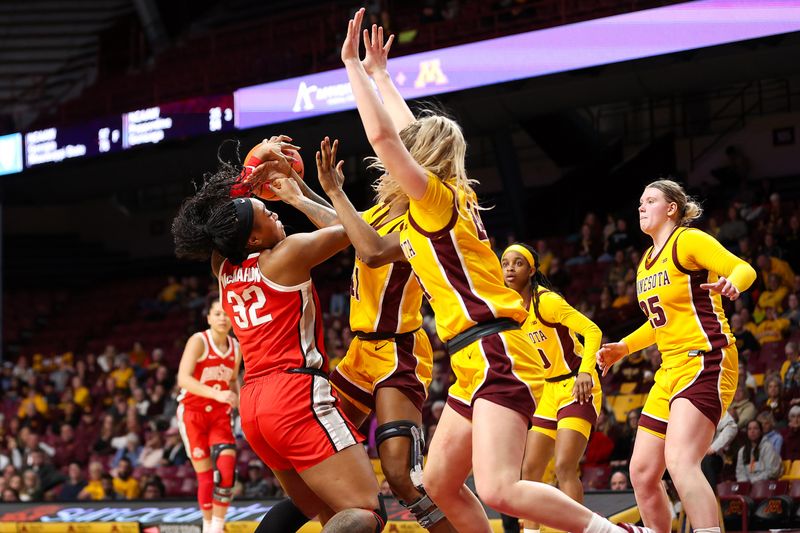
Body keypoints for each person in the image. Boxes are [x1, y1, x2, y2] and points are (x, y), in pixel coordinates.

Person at [338, 9, 649, 533]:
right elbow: (408, 135)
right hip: (471, 359)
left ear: (423, 161)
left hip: (495, 348)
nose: (400, 156)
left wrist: (351, 67)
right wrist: (382, 75)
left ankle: (617, 532)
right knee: (436, 483)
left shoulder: (435, 201)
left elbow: (387, 140)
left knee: (500, 487)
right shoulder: (438, 202)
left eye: (412, 152)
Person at [271, 26, 450, 532]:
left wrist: (327, 191)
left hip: (397, 350)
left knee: (400, 478)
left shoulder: (425, 214)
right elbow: (343, 228)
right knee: (317, 467)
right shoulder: (386, 209)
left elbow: (369, 252)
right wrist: (296, 196)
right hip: (358, 355)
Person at [172, 135, 386, 533]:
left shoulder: (224, 268)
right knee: (366, 512)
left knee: (314, 507)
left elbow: (220, 223)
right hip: (294, 395)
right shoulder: (286, 255)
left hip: (254, 405)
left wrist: (250, 176)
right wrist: (295, 195)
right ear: (253, 239)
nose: (275, 216)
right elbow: (355, 231)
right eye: (266, 215)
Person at [597, 179, 757, 533]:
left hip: (706, 358)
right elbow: (659, 323)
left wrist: (734, 283)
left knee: (682, 461)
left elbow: (743, 268)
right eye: (639, 201)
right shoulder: (645, 264)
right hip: (669, 370)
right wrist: (624, 347)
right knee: (640, 472)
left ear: (671, 208)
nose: (640, 206)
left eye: (650, 200)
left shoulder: (688, 239)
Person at [500, 243, 603, 533]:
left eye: (518, 263)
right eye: (505, 263)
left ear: (532, 270)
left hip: (576, 384)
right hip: (546, 391)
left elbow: (592, 330)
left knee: (564, 467)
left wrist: (586, 371)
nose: (509, 268)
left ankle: (579, 530)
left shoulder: (546, 302)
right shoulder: (507, 309)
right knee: (530, 471)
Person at [177, 296, 242, 533]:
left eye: (227, 314)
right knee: (205, 476)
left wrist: (240, 405)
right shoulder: (198, 341)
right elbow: (183, 379)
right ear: (209, 318)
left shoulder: (236, 347)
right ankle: (208, 527)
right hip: (192, 413)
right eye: (218, 314)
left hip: (219, 415)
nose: (223, 318)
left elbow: (233, 381)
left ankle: (217, 527)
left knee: (226, 470)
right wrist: (218, 395)